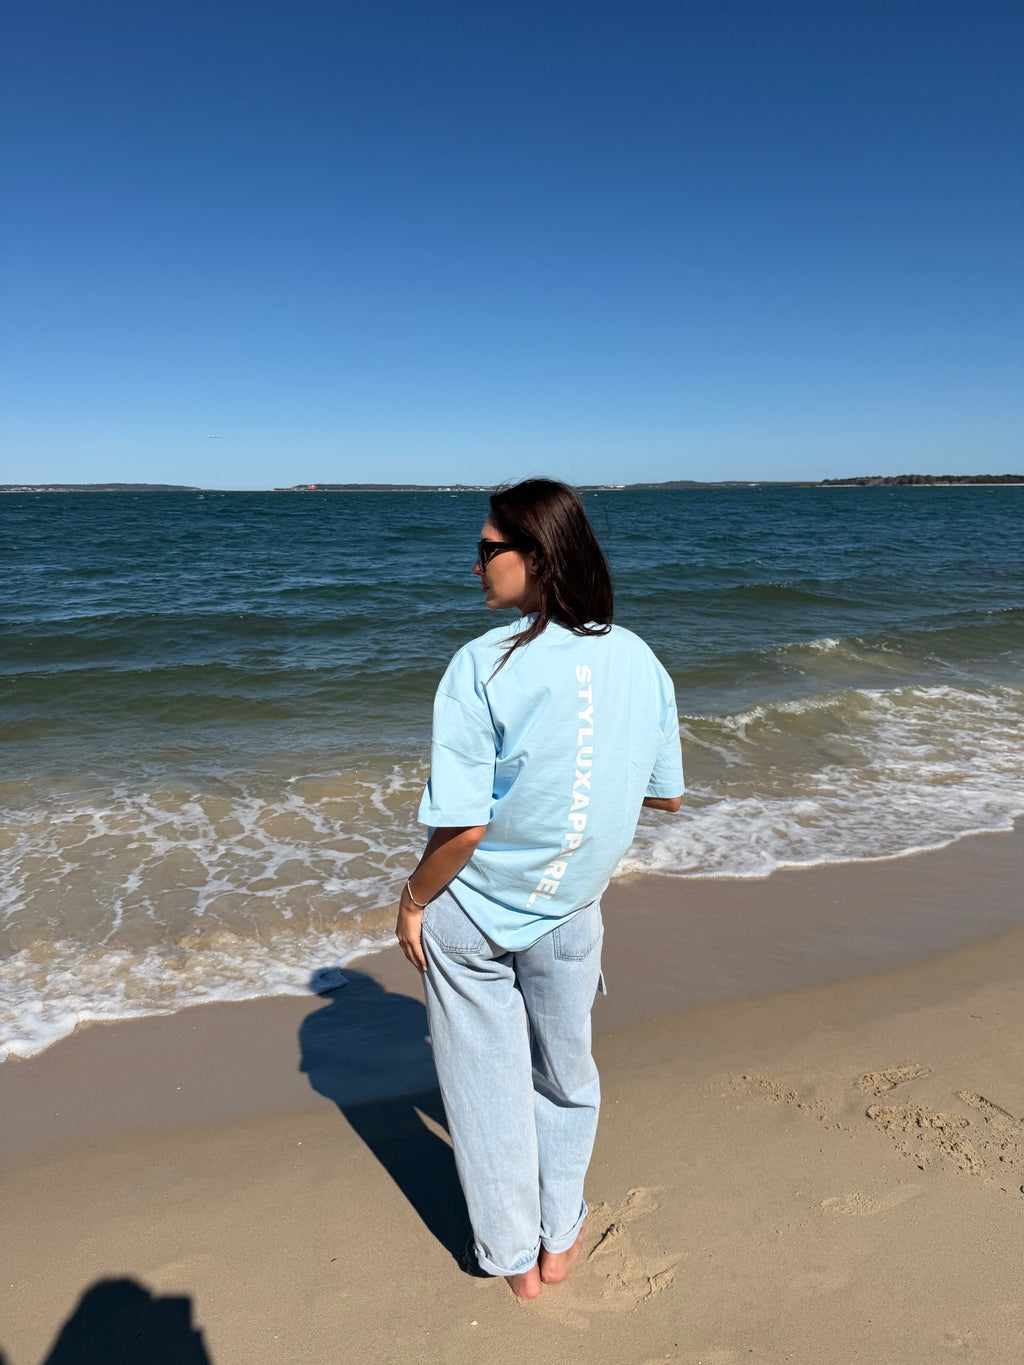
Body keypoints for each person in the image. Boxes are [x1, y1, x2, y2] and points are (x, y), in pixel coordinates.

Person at [395, 478, 684, 1299]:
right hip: (571, 907)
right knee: (566, 1075)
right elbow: (664, 792)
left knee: (486, 1090)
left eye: (489, 549)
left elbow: (462, 829)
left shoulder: (481, 664)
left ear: (538, 555)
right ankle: (558, 1240)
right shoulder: (639, 657)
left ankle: (513, 1259)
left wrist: (413, 901)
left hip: (476, 912)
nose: (476, 564)